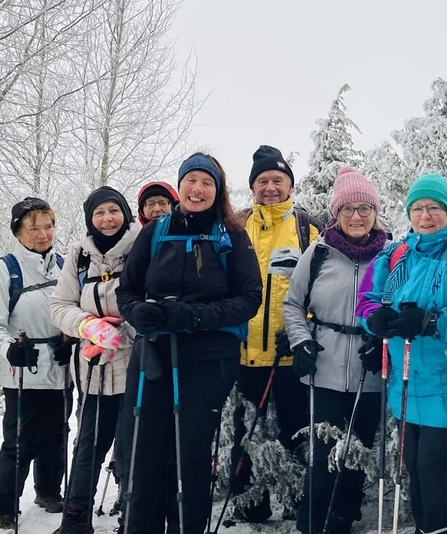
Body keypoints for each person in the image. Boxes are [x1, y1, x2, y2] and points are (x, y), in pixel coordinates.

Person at [116, 152, 263, 534]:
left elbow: (249, 298)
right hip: (154, 354)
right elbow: (127, 289)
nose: (197, 189)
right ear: (179, 186)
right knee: (144, 453)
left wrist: (198, 316)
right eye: (191, 181)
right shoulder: (156, 230)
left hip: (208, 358)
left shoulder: (231, 234)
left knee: (190, 454)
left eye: (207, 183)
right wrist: (136, 312)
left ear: (218, 191)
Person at [357, 173, 447, 534]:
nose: (425, 216)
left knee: (434, 469)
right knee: (414, 467)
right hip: (407, 388)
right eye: (417, 209)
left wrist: (433, 321)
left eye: (433, 208)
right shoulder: (397, 254)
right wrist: (375, 320)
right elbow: (368, 299)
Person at [282, 167, 388, 534]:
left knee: (357, 453)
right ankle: (312, 521)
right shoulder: (319, 253)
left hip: (369, 371)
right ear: (336, 214)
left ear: (376, 212)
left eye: (364, 208)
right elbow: (293, 304)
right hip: (323, 368)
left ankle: (344, 518)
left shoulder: (392, 255)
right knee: (324, 453)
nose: (356, 216)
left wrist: (384, 342)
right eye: (348, 209)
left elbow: (399, 308)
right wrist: (301, 341)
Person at [229, 145, 320, 522]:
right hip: (244, 353)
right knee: (245, 433)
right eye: (263, 180)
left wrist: (307, 324)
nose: (270, 187)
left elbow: (321, 286)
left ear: (289, 185)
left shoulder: (307, 227)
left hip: (289, 354)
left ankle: (298, 500)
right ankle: (252, 503)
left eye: (277, 180)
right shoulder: (235, 226)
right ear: (252, 186)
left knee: (295, 430)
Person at [49, 186, 139, 534]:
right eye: (99, 212)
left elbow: (152, 299)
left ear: (124, 213)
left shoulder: (141, 247)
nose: (107, 219)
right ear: (90, 218)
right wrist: (87, 325)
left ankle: (133, 519)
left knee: (132, 450)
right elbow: (59, 305)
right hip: (92, 370)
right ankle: (75, 521)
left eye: (113, 210)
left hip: (135, 367)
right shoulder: (80, 254)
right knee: (88, 446)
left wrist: (122, 332)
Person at [0, 197, 74, 530]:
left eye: (48, 226)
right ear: (18, 231)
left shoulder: (66, 265)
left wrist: (72, 342)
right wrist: (9, 350)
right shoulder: (4, 269)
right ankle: (3, 506)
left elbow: (76, 311)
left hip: (61, 366)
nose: (42, 234)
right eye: (33, 228)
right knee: (19, 439)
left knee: (57, 433)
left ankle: (48, 491)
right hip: (23, 366)